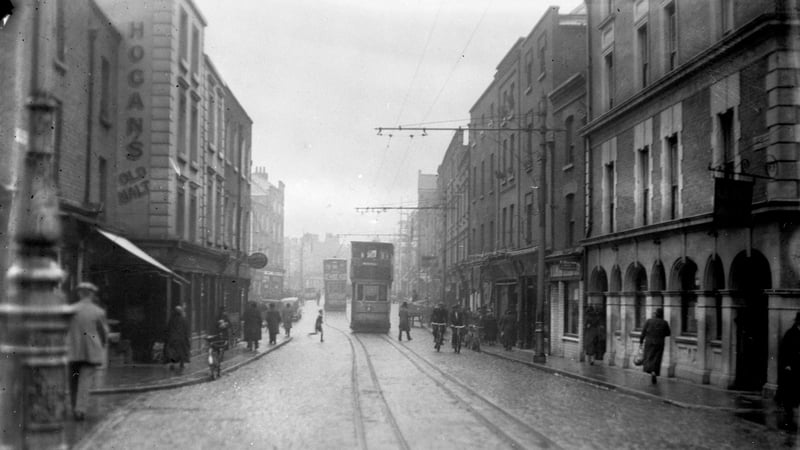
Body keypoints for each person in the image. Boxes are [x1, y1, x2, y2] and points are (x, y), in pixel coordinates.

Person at [67, 282, 109, 421]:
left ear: (79, 294)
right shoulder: (98, 312)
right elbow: (104, 333)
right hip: (91, 352)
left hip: (73, 351)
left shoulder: (70, 310)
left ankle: (75, 408)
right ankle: (80, 410)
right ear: (91, 294)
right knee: (85, 381)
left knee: (73, 380)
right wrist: (102, 346)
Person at [777, 312, 800, 431]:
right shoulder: (790, 334)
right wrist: (787, 364)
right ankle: (789, 417)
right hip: (791, 369)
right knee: (789, 394)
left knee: (794, 394)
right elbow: (784, 351)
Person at [640, 308, 671, 384]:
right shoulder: (665, 323)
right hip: (659, 342)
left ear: (655, 314)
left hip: (649, 342)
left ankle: (649, 370)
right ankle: (654, 371)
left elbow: (643, 332)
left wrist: (641, 341)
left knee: (649, 357)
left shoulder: (649, 321)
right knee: (657, 358)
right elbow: (668, 333)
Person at [163, 304, 190, 372]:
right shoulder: (184, 319)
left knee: (172, 352)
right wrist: (186, 338)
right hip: (181, 339)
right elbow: (186, 330)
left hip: (172, 339)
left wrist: (167, 337)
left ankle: (172, 363)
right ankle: (182, 363)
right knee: (181, 352)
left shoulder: (171, 319)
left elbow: (168, 329)